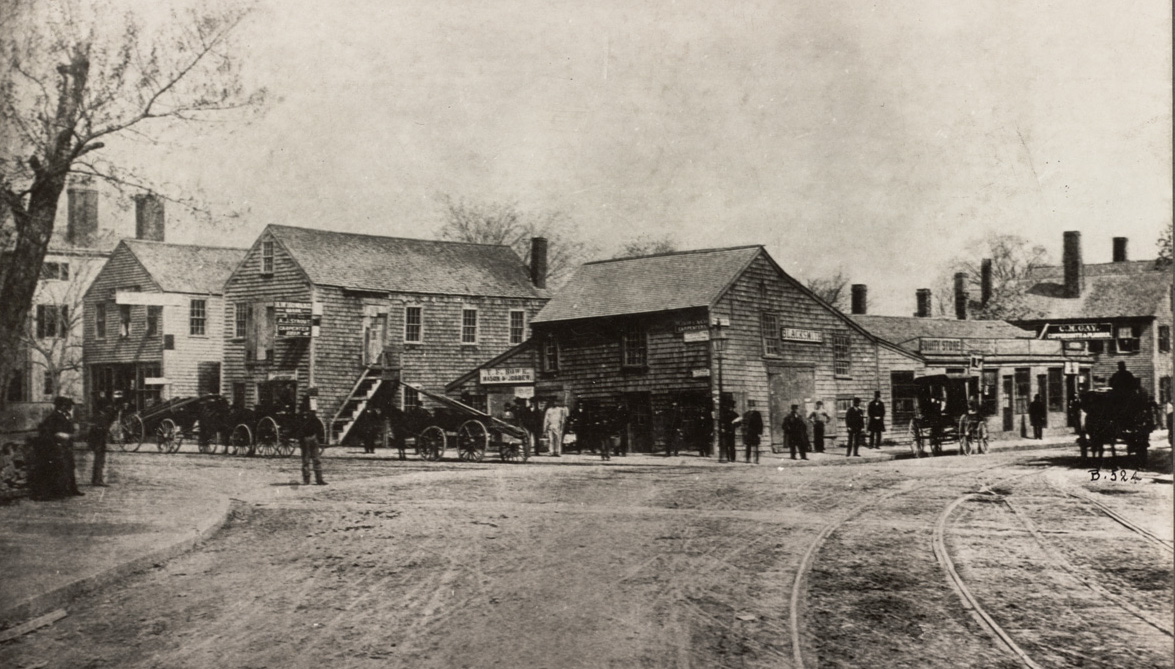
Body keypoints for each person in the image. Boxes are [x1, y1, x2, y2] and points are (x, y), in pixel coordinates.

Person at [32, 396, 82, 499]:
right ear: (62, 406)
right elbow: (57, 433)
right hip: (57, 446)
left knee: (70, 467)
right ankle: (60, 491)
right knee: (59, 469)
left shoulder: (63, 416)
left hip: (64, 446)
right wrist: (71, 436)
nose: (69, 407)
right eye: (67, 405)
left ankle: (72, 489)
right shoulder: (55, 417)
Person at [299, 404, 327, 486]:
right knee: (307, 460)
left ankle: (318, 479)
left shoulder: (313, 419)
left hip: (312, 439)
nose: (306, 413)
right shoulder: (301, 419)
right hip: (308, 439)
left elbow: (320, 428)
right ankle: (308, 479)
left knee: (315, 459)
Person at [87, 405, 110, 487]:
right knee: (99, 462)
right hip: (99, 443)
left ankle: (97, 479)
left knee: (99, 461)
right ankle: (97, 480)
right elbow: (98, 431)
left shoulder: (98, 417)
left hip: (98, 442)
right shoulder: (101, 417)